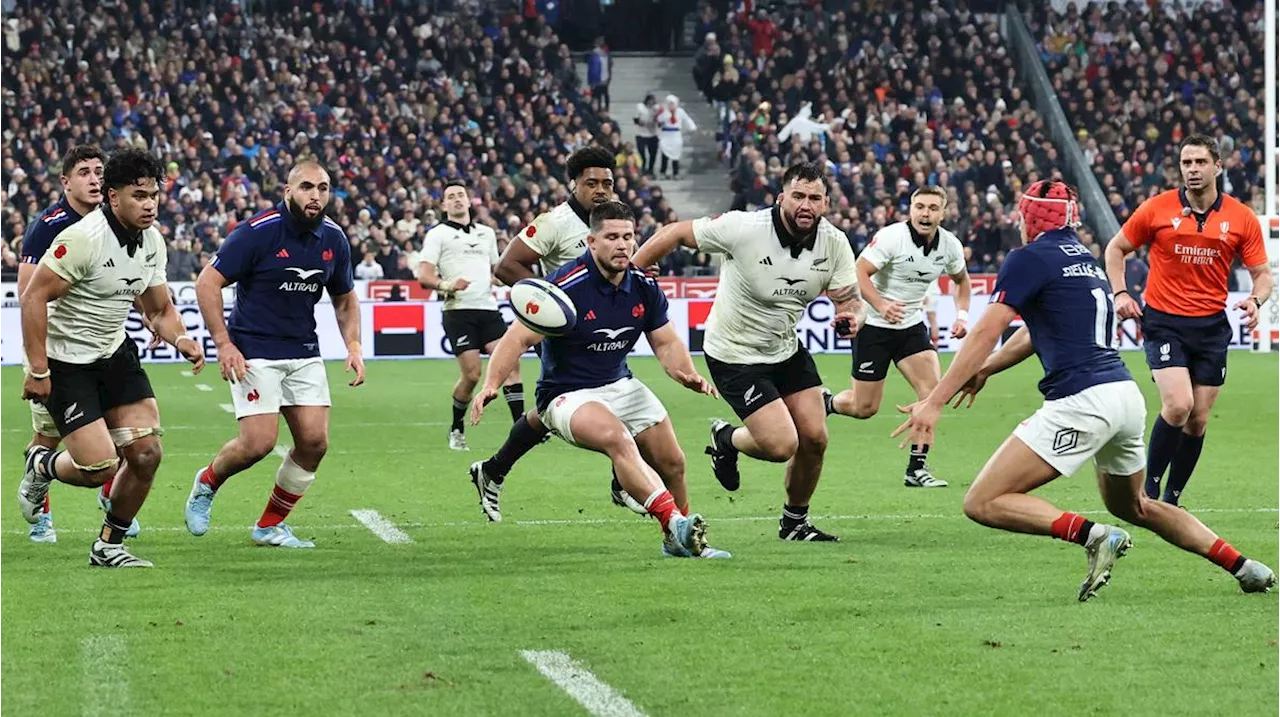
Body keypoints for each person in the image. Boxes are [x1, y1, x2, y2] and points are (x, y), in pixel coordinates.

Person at [894, 180, 1275, 601]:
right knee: (1137, 506)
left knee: (983, 502)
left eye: (1022, 215)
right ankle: (1245, 566)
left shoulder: (1028, 257)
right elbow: (1035, 333)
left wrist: (934, 401)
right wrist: (987, 370)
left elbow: (987, 330)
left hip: (1081, 401)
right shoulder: (1085, 259)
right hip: (1123, 397)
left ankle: (1095, 535)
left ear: (1030, 218)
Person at [470, 202, 726, 558]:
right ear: (591, 242)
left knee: (673, 462)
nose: (622, 245)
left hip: (620, 383)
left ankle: (680, 543)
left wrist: (685, 373)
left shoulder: (643, 286)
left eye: (628, 237)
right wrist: (490, 385)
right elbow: (516, 339)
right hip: (565, 394)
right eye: (611, 237)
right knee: (618, 439)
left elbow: (665, 341)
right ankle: (674, 522)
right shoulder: (564, 285)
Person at [632, 161, 863, 542]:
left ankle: (794, 524)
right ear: (781, 198)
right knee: (781, 444)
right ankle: (727, 440)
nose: (806, 205)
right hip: (734, 354)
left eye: (815, 198)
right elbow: (675, 232)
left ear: (826, 204)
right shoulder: (743, 227)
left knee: (816, 438)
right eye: (798, 196)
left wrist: (852, 316)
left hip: (785, 349)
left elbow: (850, 300)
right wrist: (635, 273)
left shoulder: (834, 242)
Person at [18, 147, 204, 568]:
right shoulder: (83, 239)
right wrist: (37, 369)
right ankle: (42, 464)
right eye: (139, 195)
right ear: (113, 196)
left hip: (113, 353)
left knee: (146, 453)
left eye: (154, 194)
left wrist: (182, 339)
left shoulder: (153, 240)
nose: (150, 203)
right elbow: (32, 298)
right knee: (100, 467)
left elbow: (157, 308)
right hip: (66, 362)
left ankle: (108, 546)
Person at [184, 161, 364, 548]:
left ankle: (269, 526)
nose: (315, 196)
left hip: (303, 351)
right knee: (258, 444)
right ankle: (207, 482)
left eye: (323, 188)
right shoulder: (256, 233)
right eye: (306, 187)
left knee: (315, 443)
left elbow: (345, 298)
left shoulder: (334, 239)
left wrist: (353, 345)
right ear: (288, 190)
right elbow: (207, 283)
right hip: (254, 351)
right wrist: (224, 344)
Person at [472, 147, 645, 516]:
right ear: (574, 184)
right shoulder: (554, 222)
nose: (601, 190)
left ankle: (492, 470)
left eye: (607, 183)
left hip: (606, 327)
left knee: (552, 411)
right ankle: (623, 483)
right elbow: (507, 265)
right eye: (591, 183)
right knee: (606, 401)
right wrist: (553, 302)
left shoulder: (613, 222)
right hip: (566, 336)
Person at [1105, 134, 1274, 506]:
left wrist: (1255, 300)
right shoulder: (1157, 208)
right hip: (1164, 321)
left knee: (1197, 419)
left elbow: (1263, 275)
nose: (1193, 170)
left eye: (1200, 162)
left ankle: (1172, 499)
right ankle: (1146, 491)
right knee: (1178, 405)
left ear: (1217, 166)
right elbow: (1116, 248)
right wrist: (1120, 293)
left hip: (1212, 327)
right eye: (1186, 163)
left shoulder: (1241, 217)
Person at [823, 186, 972, 488]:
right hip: (874, 326)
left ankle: (917, 468)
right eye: (919, 206)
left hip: (910, 326)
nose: (925, 213)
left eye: (932, 208)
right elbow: (859, 272)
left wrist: (962, 316)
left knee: (932, 396)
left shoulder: (950, 246)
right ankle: (824, 403)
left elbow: (962, 281)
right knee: (864, 408)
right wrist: (881, 305)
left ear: (943, 213)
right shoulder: (893, 237)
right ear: (911, 210)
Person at [418, 181, 523, 450]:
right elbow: (424, 276)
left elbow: (494, 271)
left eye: (460, 195)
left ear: (469, 201)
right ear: (443, 205)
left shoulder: (486, 233)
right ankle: (456, 428)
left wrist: (506, 282)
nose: (456, 200)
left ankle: (521, 430)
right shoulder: (437, 234)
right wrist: (446, 285)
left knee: (510, 365)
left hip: (488, 309)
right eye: (450, 197)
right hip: (458, 311)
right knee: (473, 376)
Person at [654, 94, 696, 180]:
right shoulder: (664, 111)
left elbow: (687, 119)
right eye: (669, 104)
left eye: (672, 104)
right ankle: (663, 172)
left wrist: (692, 127)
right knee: (664, 154)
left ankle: (675, 173)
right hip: (666, 134)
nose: (671, 106)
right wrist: (666, 113)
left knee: (676, 154)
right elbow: (659, 120)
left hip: (676, 135)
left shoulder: (680, 111)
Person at [633, 94, 659, 175]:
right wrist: (644, 123)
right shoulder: (640, 107)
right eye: (650, 101)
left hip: (653, 134)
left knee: (653, 154)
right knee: (642, 154)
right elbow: (636, 119)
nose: (651, 103)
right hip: (641, 134)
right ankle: (643, 168)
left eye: (653, 102)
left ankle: (651, 169)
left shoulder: (656, 108)